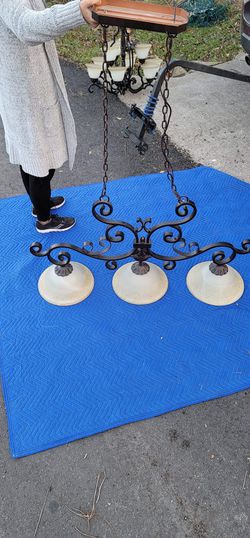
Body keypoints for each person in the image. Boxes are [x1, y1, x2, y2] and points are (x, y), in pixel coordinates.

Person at [0, 0, 99, 233]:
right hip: (25, 95)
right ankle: (44, 220)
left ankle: (40, 204)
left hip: (27, 90)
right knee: (37, 162)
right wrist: (77, 12)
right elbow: (28, 26)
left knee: (33, 157)